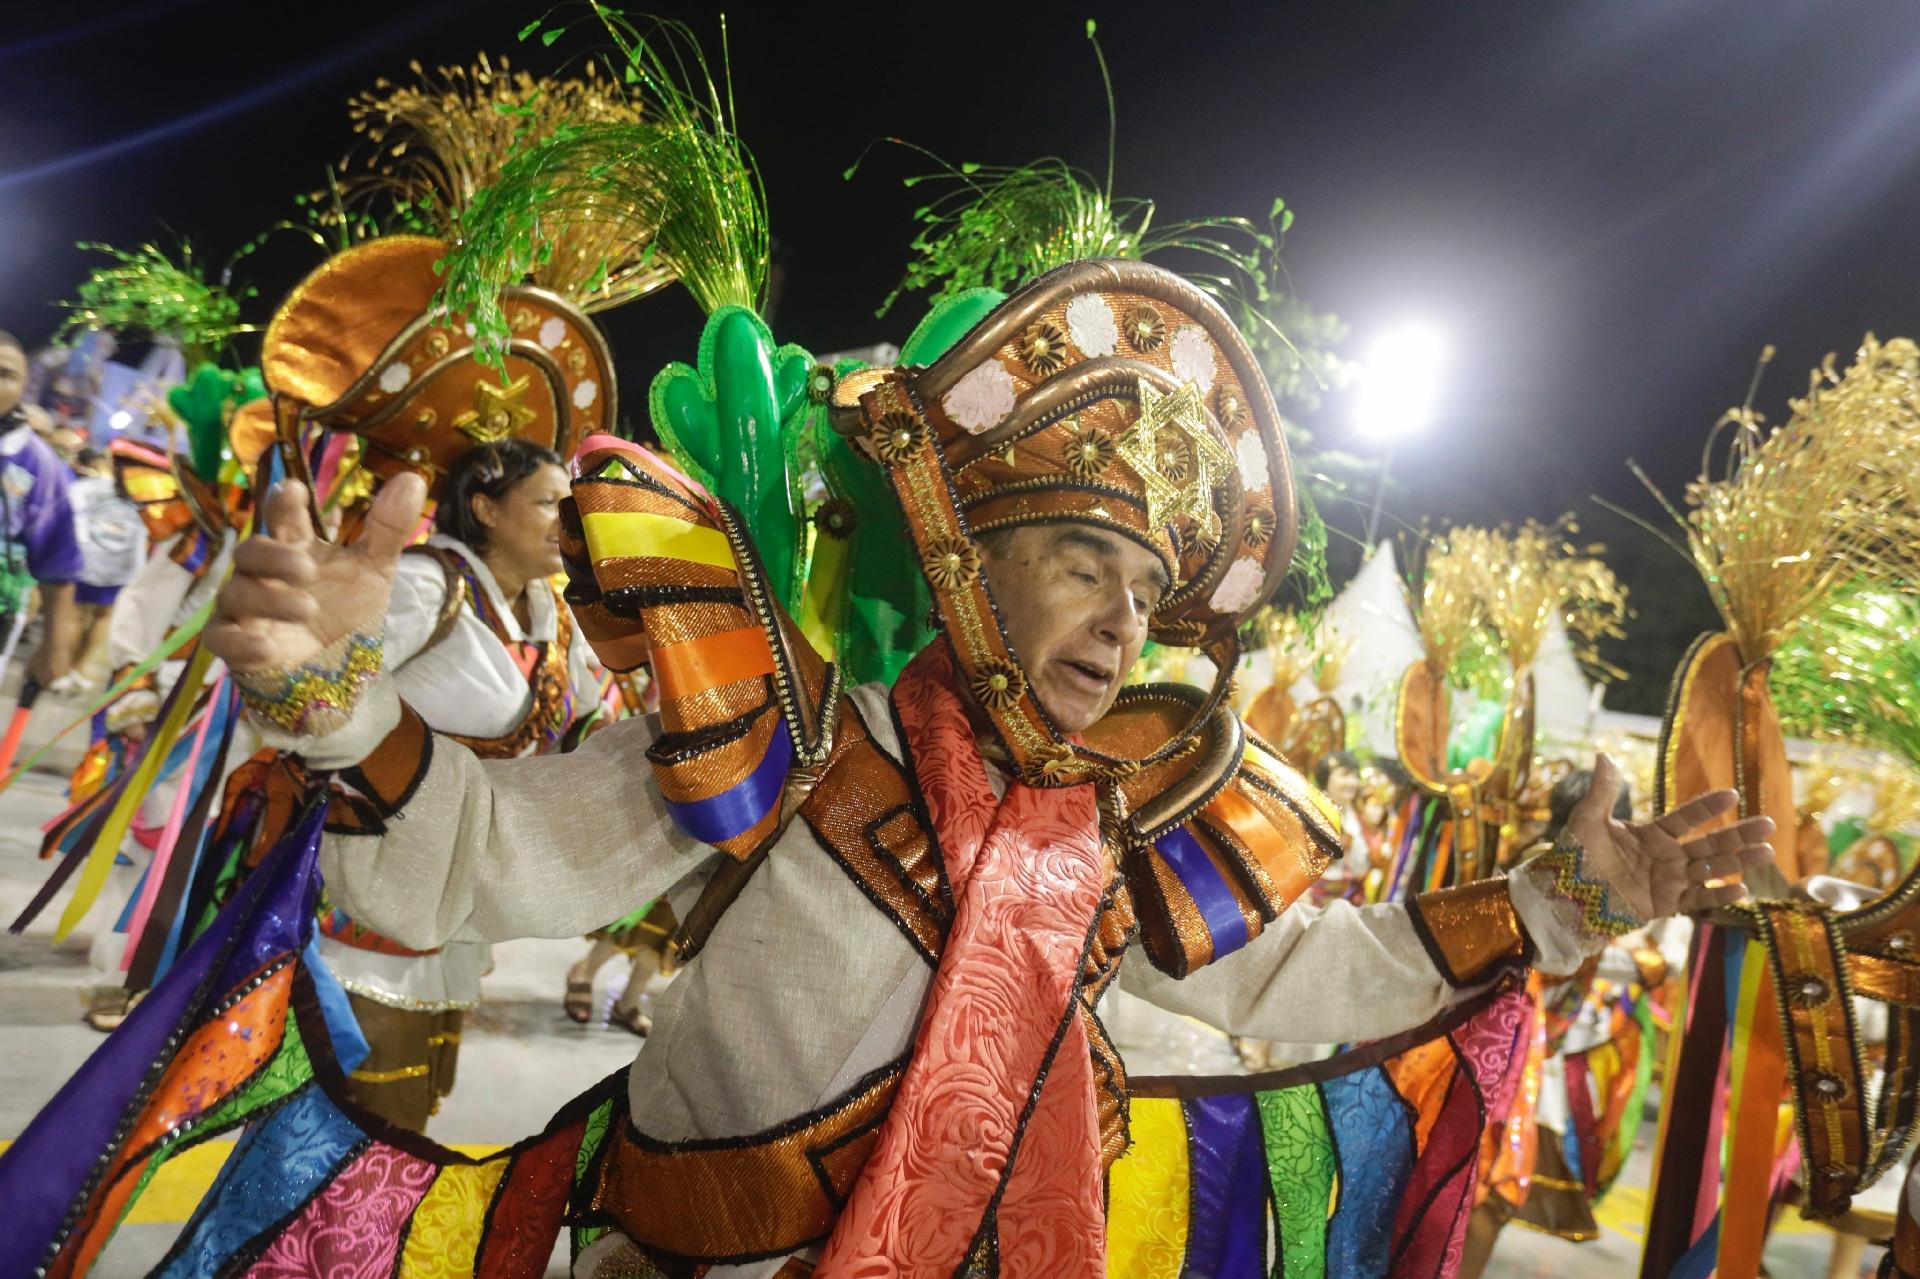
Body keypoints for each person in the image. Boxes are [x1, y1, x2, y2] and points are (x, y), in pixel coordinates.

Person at [204, 260, 1775, 1276]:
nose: (1121, 620)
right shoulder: (789, 734)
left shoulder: (1118, 825)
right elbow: (477, 861)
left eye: (1147, 594)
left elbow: (1300, 980)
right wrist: (333, 698)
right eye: (1083, 561)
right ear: (967, 562)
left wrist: (1574, 897)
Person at [314, 434, 597, 1130]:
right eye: (549, 502)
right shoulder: (424, 584)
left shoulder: (553, 615)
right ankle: (314, 1240)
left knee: (410, 1107)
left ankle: (361, 1237)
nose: (568, 520)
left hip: (457, 887)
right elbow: (324, 698)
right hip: (377, 882)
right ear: (485, 508)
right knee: (357, 1106)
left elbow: (597, 712)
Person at [0, 331, 83, 687]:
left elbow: (56, 562)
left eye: (6, 374)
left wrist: (55, 645)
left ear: (22, 388)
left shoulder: (36, 462)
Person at [57, 446, 147, 692]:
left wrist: (80, 546)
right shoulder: (146, 496)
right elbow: (144, 536)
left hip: (86, 560)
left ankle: (63, 669)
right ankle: (79, 669)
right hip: (122, 566)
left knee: (75, 615)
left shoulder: (90, 488)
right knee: (102, 617)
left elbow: (73, 513)